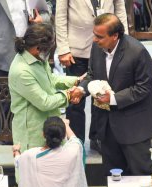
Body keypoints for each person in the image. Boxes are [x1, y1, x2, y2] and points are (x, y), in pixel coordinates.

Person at [79, 13, 152, 187]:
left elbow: (144, 87)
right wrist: (82, 89)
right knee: (113, 175)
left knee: (139, 174)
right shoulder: (97, 48)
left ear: (115, 36)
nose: (94, 40)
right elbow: (93, 75)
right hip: (107, 126)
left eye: (100, 36)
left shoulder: (137, 52)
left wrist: (113, 99)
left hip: (135, 126)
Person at [9, 23, 84, 187]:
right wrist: (70, 96)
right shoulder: (21, 69)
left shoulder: (37, 59)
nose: (47, 53)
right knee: (28, 182)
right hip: (30, 129)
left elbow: (51, 81)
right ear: (36, 46)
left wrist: (76, 80)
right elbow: (44, 101)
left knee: (45, 179)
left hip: (46, 124)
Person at [55, 0, 128, 149]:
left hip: (107, 46)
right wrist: (63, 48)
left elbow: (120, 9)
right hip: (76, 49)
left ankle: (98, 137)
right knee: (76, 99)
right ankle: (76, 142)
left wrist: (124, 41)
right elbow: (60, 15)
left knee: (102, 94)